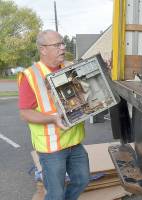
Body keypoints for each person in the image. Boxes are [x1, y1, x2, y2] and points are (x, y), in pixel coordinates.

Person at [18, 30, 90, 200]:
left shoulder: (69, 67)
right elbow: (25, 113)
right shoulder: (31, 75)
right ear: (43, 49)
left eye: (63, 44)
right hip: (51, 149)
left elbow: (84, 94)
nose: (63, 48)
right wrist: (53, 118)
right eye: (57, 45)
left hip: (74, 142)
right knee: (55, 194)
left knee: (82, 180)